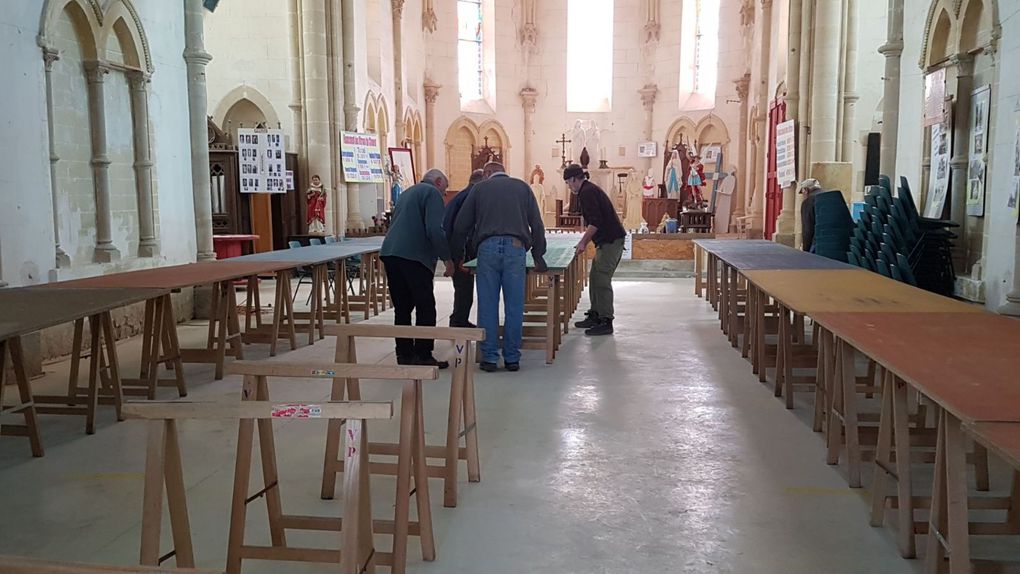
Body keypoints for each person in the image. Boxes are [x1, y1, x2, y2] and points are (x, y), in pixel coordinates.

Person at [452, 162, 547, 373]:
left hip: (487, 247)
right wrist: (538, 255)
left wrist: (460, 255)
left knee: (487, 304)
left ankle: (490, 358)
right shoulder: (523, 187)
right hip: (516, 248)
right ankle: (512, 358)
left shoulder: (479, 188)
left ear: (487, 173)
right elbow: (537, 223)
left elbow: (460, 226)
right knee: (514, 306)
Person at [380, 169, 455, 368]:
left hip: (390, 253)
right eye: (444, 189)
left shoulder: (407, 192)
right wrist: (447, 258)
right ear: (438, 181)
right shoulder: (432, 194)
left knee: (402, 308)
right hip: (413, 257)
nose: (444, 194)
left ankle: (404, 354)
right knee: (426, 306)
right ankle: (423, 354)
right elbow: (434, 229)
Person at [564, 163, 626, 336]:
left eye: (569, 182)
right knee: (595, 276)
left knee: (602, 279)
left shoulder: (587, 192)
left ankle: (606, 321)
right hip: (606, 241)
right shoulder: (587, 190)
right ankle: (596, 314)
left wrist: (583, 242)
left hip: (611, 241)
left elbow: (596, 222)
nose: (569, 186)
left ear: (575, 179)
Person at [443, 169, 486, 328]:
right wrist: (461, 256)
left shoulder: (462, 195)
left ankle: (459, 320)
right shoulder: (470, 196)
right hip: (459, 249)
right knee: (464, 289)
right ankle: (458, 322)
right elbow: (462, 229)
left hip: (458, 248)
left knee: (464, 289)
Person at [799, 178, 823, 252]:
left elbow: (807, 228)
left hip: (817, 243)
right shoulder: (831, 197)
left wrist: (805, 249)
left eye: (802, 191)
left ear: (806, 190)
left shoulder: (808, 202)